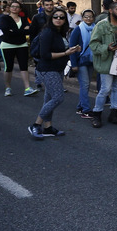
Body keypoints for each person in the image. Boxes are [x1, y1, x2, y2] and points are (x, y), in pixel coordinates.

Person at [28, 8, 82, 139]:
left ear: (65, 20)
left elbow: (61, 49)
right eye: (55, 17)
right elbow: (45, 54)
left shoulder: (60, 33)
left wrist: (72, 50)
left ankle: (48, 127)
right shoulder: (47, 32)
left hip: (57, 69)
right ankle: (36, 124)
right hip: (47, 69)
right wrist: (65, 53)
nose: (58, 19)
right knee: (58, 97)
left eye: (61, 17)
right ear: (51, 19)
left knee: (48, 98)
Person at [0, 0, 38, 97]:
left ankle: (27, 88)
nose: (14, 8)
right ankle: (8, 88)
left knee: (24, 66)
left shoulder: (24, 18)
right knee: (8, 67)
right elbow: (7, 33)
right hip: (7, 45)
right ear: (9, 8)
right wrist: (22, 31)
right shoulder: (5, 18)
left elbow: (31, 30)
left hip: (22, 44)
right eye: (12, 6)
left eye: (17, 7)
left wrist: (15, 31)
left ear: (20, 9)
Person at [68, 9, 97, 118]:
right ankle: (86, 110)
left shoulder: (96, 28)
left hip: (91, 61)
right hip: (81, 61)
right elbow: (72, 47)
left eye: (90, 16)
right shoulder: (78, 30)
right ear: (82, 18)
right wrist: (74, 64)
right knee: (84, 85)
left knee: (87, 84)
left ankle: (80, 107)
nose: (88, 19)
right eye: (86, 16)